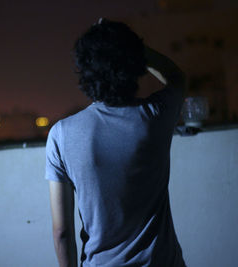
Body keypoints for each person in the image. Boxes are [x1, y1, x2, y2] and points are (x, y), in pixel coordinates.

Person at [45, 17, 187, 267]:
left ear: (85, 71)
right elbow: (176, 77)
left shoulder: (61, 134)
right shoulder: (154, 116)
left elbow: (62, 233)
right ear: (135, 66)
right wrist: (132, 47)